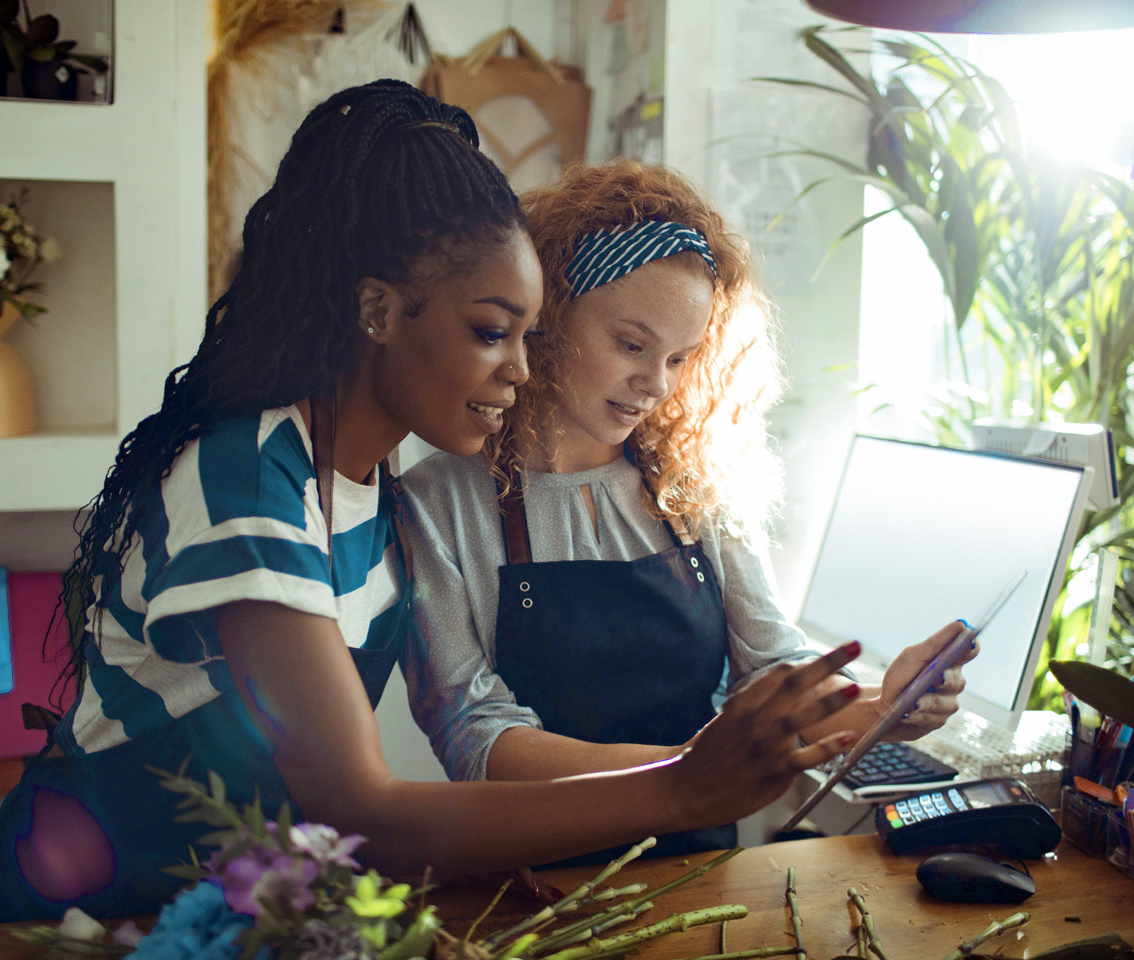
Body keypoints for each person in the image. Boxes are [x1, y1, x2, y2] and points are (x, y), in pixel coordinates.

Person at [0, 86, 865, 923]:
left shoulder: (366, 490)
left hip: (240, 908)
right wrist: (684, 786)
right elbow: (368, 814)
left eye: (526, 335)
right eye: (491, 331)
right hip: (91, 909)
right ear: (377, 311)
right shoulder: (247, 484)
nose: (521, 369)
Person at [401, 161, 977, 863]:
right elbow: (475, 735)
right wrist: (684, 774)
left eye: (681, 357)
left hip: (702, 875)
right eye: (632, 344)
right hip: (527, 884)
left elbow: (772, 673)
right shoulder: (437, 499)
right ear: (548, 314)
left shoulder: (694, 486)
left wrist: (886, 705)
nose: (656, 384)